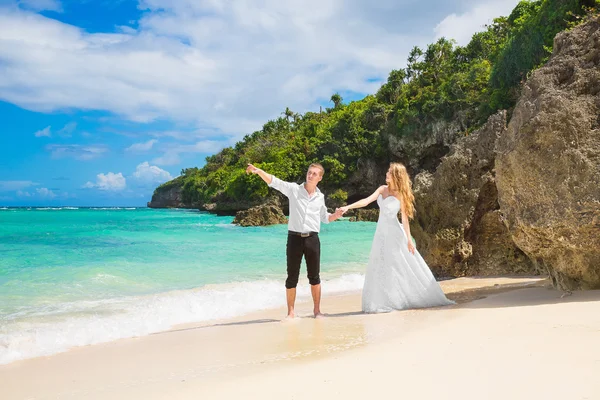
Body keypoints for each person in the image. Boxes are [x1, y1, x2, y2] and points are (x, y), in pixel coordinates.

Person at [338, 162, 455, 313]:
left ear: (396, 176)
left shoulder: (401, 194)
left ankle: (398, 298)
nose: (386, 173)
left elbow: (404, 220)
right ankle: (380, 301)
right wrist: (348, 207)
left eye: (389, 172)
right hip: (380, 233)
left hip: (394, 234)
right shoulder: (382, 189)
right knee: (379, 264)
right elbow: (366, 201)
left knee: (395, 266)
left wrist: (408, 240)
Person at [246, 163, 344, 318]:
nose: (310, 175)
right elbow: (274, 182)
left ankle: (317, 311)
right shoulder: (294, 189)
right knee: (292, 277)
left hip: (312, 239)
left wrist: (336, 215)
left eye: (314, 174)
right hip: (294, 238)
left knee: (315, 277)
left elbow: (325, 218)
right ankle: (291, 313)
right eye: (309, 172)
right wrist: (259, 172)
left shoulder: (320, 197)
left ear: (320, 177)